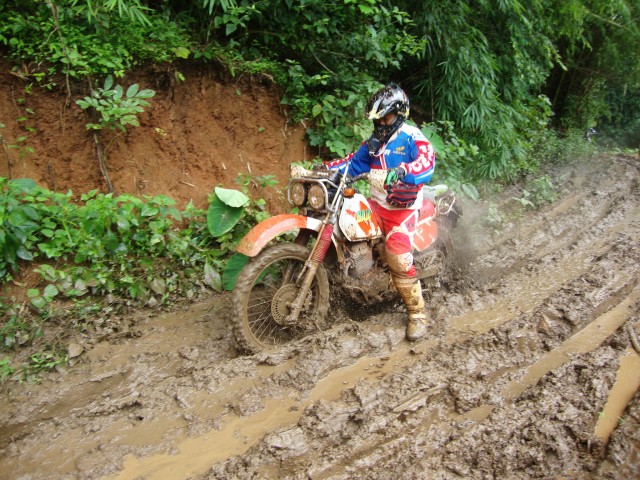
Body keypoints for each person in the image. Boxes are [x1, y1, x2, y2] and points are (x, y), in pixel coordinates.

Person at [324, 83, 436, 341]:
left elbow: (427, 161)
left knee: (398, 258)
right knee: (347, 226)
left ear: (399, 114)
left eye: (385, 118)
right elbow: (352, 163)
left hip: (403, 210)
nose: (381, 124)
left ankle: (417, 314)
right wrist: (324, 169)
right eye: (378, 119)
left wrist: (404, 171)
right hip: (376, 206)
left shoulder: (412, 136)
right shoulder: (374, 143)